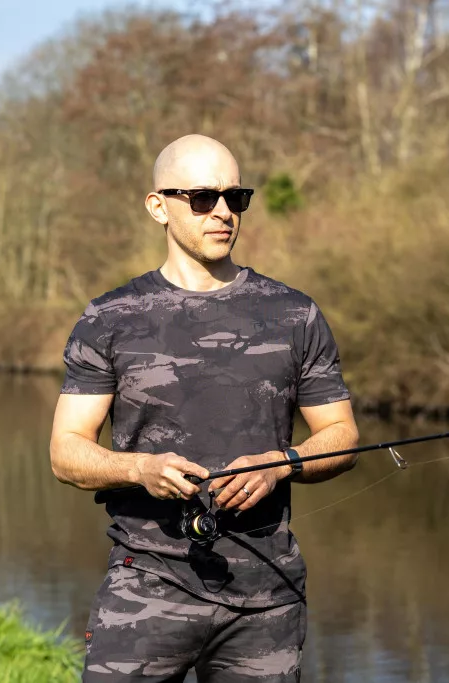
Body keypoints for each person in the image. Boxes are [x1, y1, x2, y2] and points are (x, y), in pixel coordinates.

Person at [50, 134, 359, 682]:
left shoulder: (295, 315)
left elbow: (342, 434)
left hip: (267, 599)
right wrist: (138, 469)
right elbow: (65, 452)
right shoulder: (109, 318)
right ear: (158, 207)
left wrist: (282, 463)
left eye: (235, 197)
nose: (222, 212)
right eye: (201, 198)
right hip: (144, 588)